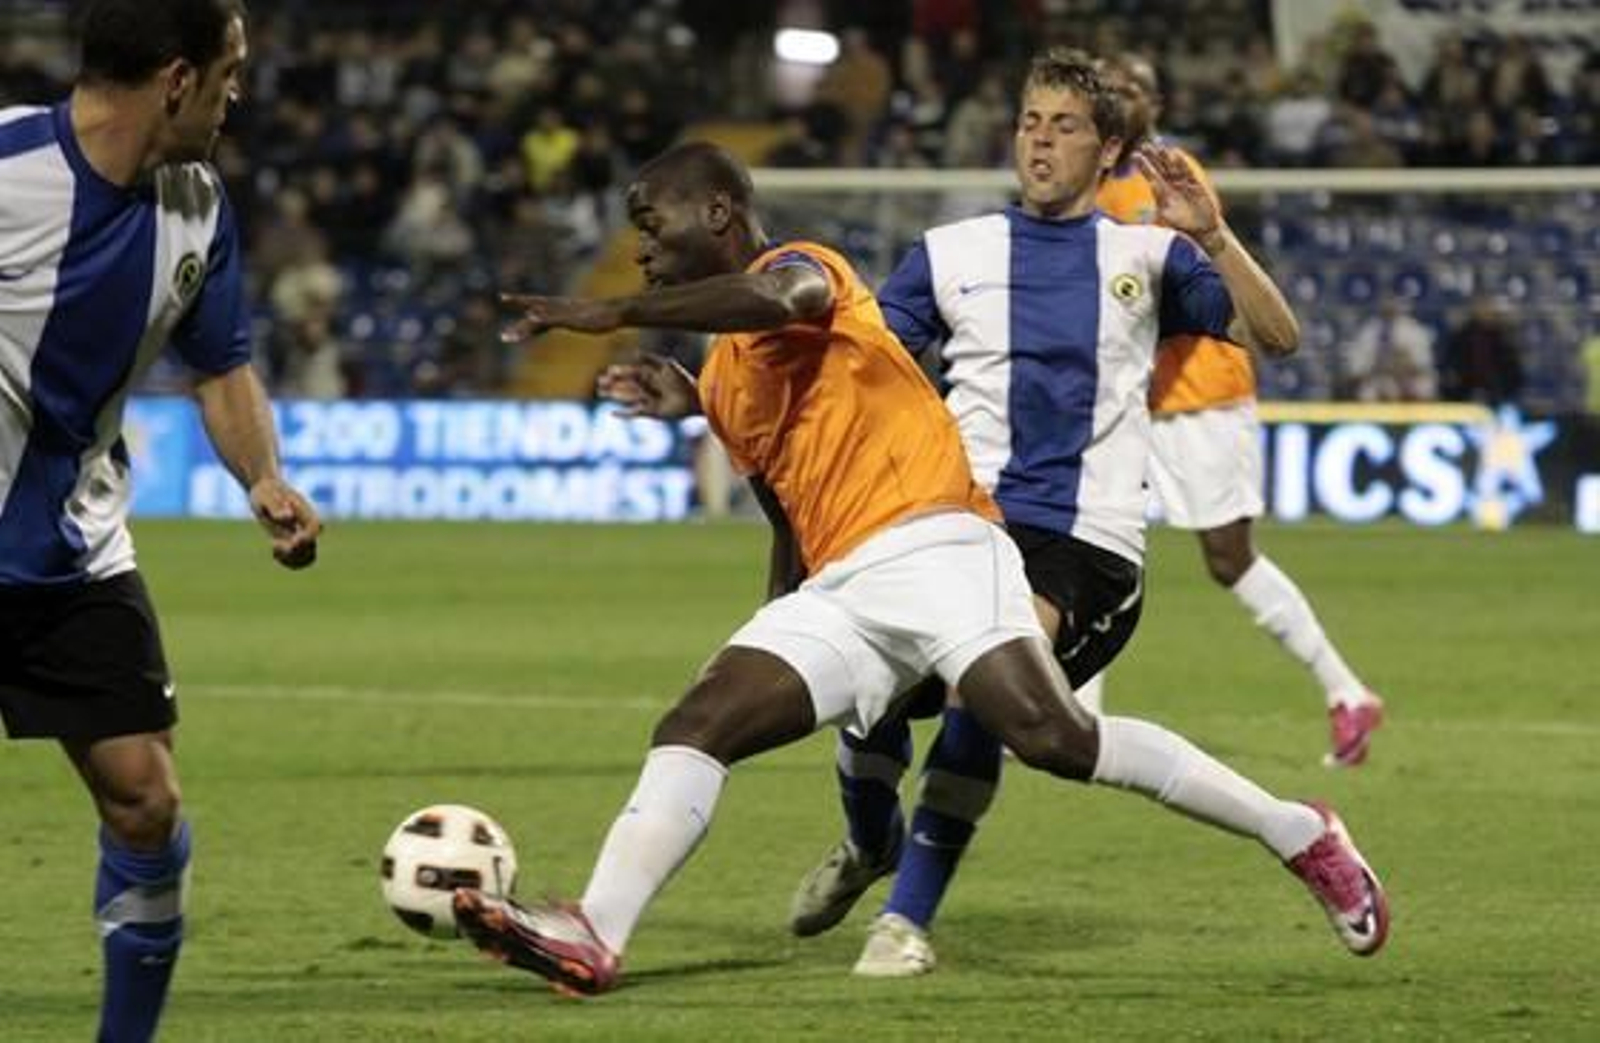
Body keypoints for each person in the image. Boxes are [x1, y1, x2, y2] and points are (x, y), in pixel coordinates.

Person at [449, 132, 1388, 996]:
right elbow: (791, 513)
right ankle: (595, 931)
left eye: (652, 225)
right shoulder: (729, 377)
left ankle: (1297, 831)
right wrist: (774, 629)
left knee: (1053, 739)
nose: (642, 246)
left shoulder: (802, 268)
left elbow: (779, 302)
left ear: (720, 215)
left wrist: (611, 310)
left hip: (939, 541)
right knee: (699, 720)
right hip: (845, 587)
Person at [785, 47, 1356, 978]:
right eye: (1029, 122)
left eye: (1065, 126)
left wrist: (1215, 235)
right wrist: (708, 396)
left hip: (1081, 541)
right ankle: (868, 842)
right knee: (860, 693)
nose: (1040, 141)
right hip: (952, 522)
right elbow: (861, 369)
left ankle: (904, 921)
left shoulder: (1149, 255)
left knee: (982, 680)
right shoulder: (951, 254)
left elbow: (1277, 337)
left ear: (1111, 150)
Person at [0, 3, 322, 1040]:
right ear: (177, 79)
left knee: (145, 800)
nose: (237, 99)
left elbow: (219, 365)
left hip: (72, 552)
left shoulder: (200, 205)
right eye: (229, 76)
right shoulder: (8, 167)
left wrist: (262, 478)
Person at [1092, 53, 1384, 762]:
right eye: (1108, 86)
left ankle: (1347, 691)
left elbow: (1172, 288)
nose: (1120, 96)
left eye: (1133, 85)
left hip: (1199, 396)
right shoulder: (1093, 185)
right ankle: (1074, 709)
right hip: (1135, 399)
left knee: (1227, 556)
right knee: (1095, 539)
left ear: (1154, 102)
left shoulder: (1161, 177)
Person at [1345, 297, 1437, 402]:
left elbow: (1424, 366)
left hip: (1409, 377)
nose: (1389, 307)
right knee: (1372, 391)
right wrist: (1377, 365)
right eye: (1385, 303)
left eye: (1392, 302)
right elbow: (1356, 371)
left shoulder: (1413, 329)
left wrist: (1404, 362)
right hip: (1378, 377)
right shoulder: (1368, 331)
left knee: (1423, 387)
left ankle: (1420, 417)